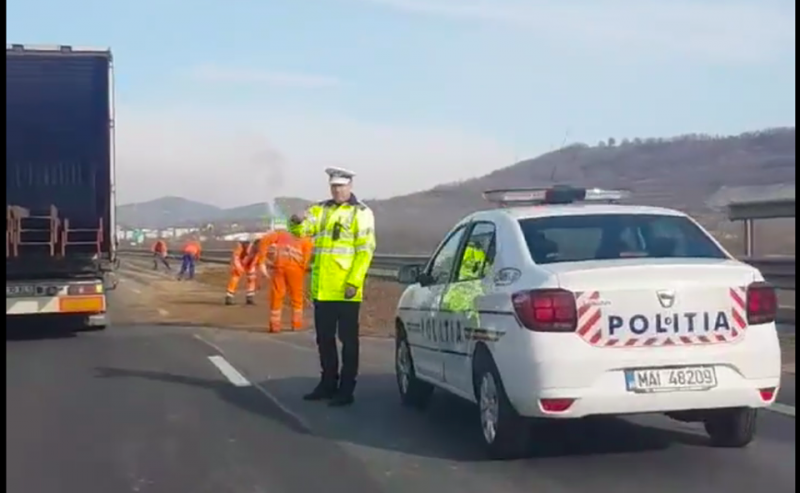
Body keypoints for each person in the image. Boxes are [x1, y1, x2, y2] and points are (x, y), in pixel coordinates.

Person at [289, 167, 376, 407]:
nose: (338, 190)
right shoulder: (321, 209)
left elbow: (365, 250)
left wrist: (353, 282)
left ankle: (346, 389)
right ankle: (328, 383)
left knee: (348, 341)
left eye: (341, 186)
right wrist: (295, 221)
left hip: (346, 290)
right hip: (323, 289)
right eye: (334, 187)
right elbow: (302, 232)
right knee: (324, 339)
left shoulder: (362, 213)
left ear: (350, 187)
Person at [257, 222, 313, 332]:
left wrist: (262, 261)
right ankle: (296, 325)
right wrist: (304, 268)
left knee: (277, 295)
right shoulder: (306, 240)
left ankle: (275, 326)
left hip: (279, 268)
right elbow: (306, 259)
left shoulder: (280, 235)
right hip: (296, 270)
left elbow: (264, 241)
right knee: (297, 297)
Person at [225, 239, 259, 305]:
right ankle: (229, 297)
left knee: (252, 279)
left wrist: (252, 268)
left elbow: (256, 259)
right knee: (235, 278)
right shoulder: (243, 246)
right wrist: (238, 267)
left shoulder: (259, 251)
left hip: (249, 264)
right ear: (255, 245)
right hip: (239, 262)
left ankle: (250, 297)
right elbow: (236, 257)